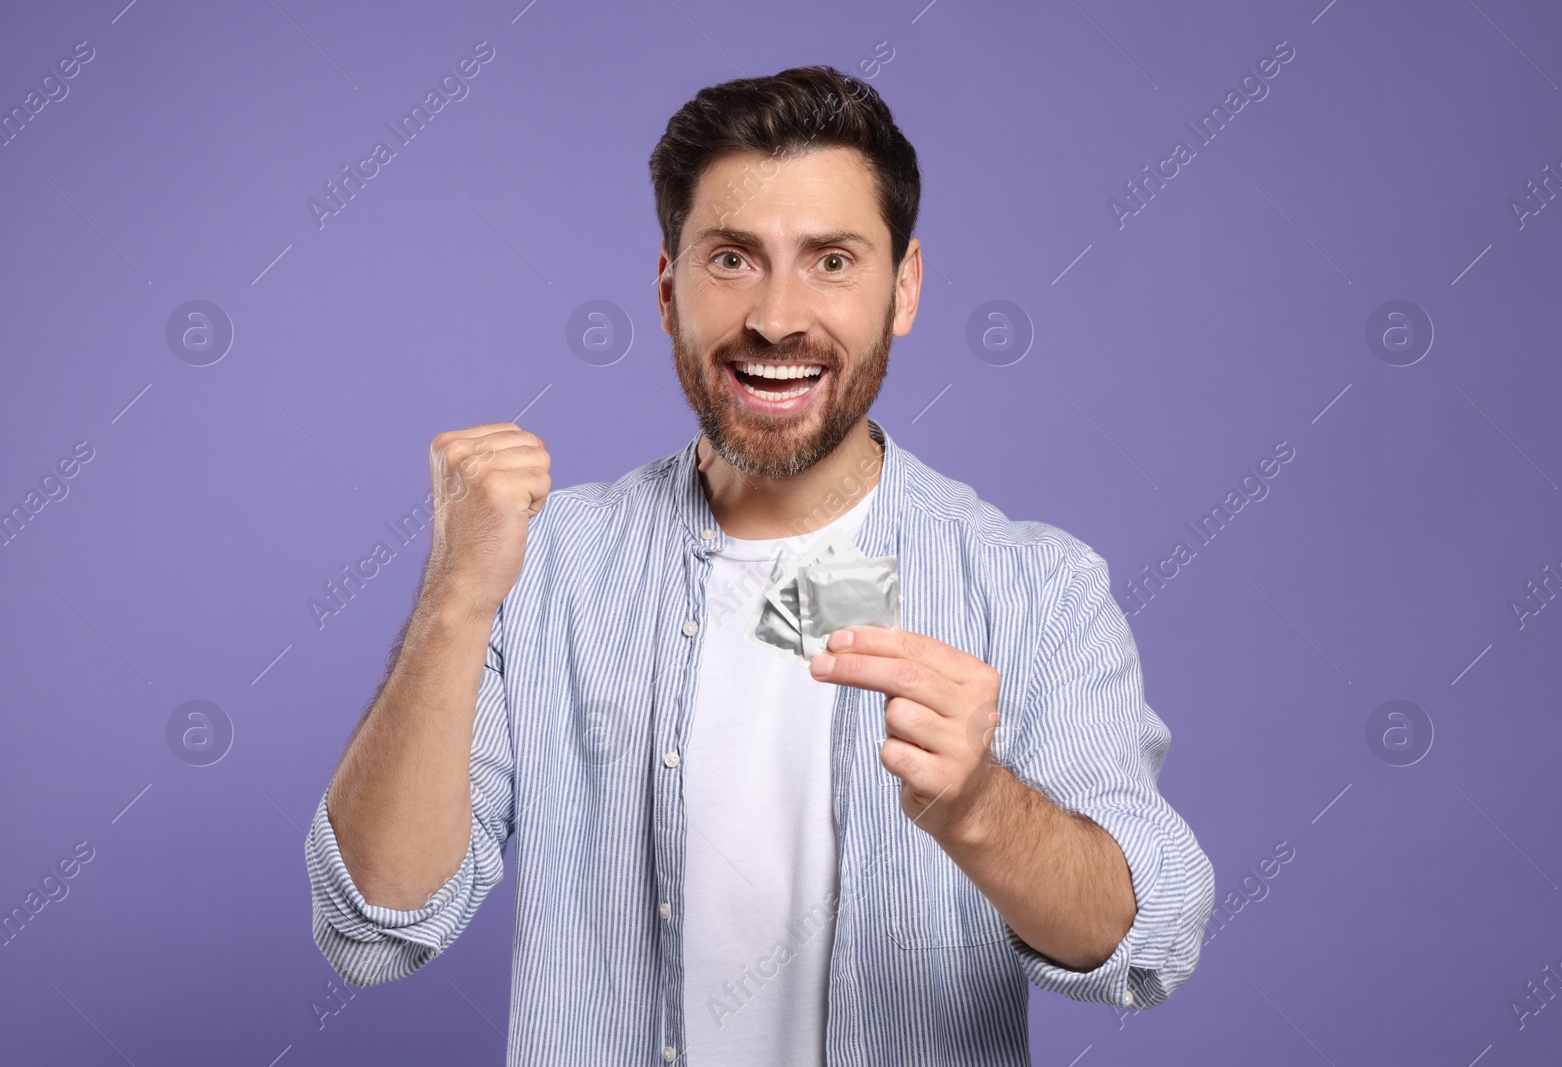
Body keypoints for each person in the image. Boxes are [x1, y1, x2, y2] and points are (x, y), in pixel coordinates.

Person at [305, 64, 1214, 1066]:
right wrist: (453, 598)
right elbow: (374, 924)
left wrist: (978, 806)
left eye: (831, 261)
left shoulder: (1035, 588)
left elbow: (1147, 941)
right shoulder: (544, 567)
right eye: (732, 258)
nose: (778, 317)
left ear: (903, 287)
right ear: (666, 290)